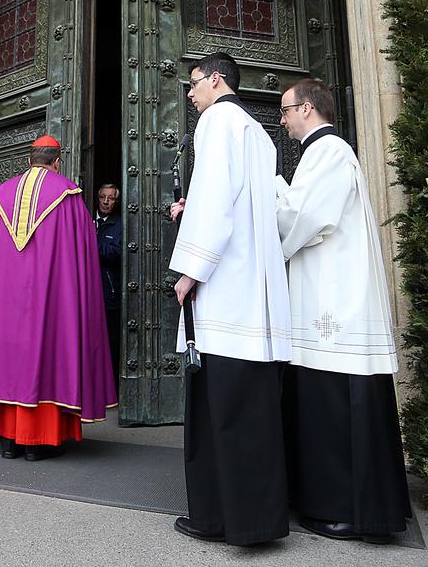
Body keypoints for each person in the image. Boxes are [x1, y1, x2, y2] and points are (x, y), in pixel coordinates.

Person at [274, 78, 410, 542]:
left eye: (287, 109)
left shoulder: (329, 151)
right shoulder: (325, 153)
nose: (283, 118)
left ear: (308, 108)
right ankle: (342, 502)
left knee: (336, 406)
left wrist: (270, 192)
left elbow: (305, 218)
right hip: (328, 296)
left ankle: (348, 509)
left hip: (335, 304)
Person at [168, 51, 291, 546]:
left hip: (225, 295)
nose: (191, 93)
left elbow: (217, 199)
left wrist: (189, 270)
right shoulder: (257, 131)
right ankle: (257, 520)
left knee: (219, 410)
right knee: (253, 412)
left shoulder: (217, 121)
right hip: (255, 292)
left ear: (216, 80)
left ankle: (217, 518)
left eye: (194, 83)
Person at [0, 135, 116, 460]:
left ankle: (8, 441)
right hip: (50, 303)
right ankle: (37, 443)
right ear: (56, 162)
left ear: (29, 160)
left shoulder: (2, 196)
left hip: (4, 304)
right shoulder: (68, 196)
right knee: (47, 355)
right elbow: (82, 262)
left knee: (8, 359)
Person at [95, 182, 122, 387]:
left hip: (108, 295)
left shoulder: (120, 224)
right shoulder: (86, 219)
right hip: (85, 294)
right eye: (103, 197)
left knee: (110, 343)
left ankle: (108, 387)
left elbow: (116, 253)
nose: (106, 201)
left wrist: (90, 242)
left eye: (111, 198)